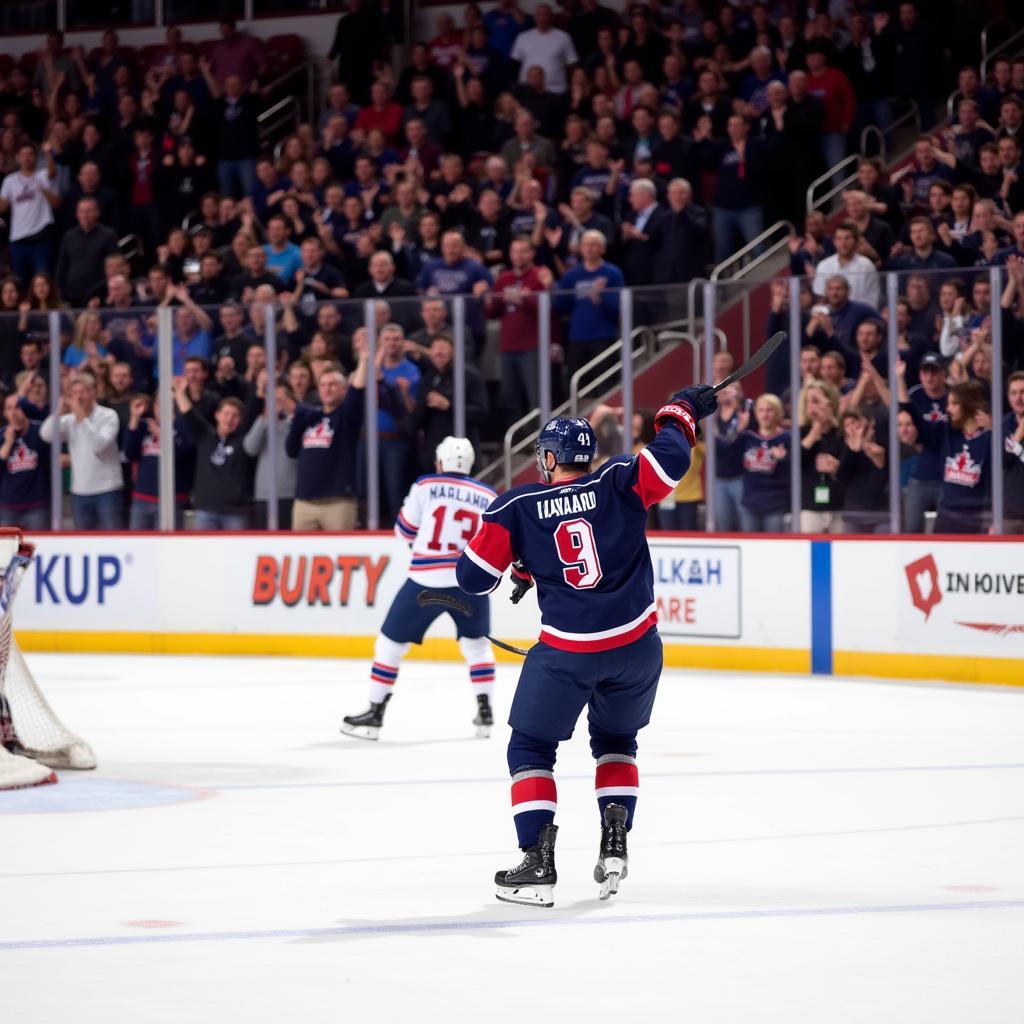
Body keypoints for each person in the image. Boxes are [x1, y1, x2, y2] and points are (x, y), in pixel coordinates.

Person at [456, 385, 718, 906]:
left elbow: (471, 579)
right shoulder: (618, 479)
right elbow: (669, 462)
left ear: (550, 458)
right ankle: (615, 843)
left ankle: (537, 859)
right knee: (617, 743)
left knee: (530, 748)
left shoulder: (520, 505)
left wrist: (522, 555)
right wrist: (679, 412)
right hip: (639, 647)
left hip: (568, 654)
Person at [341, 437, 498, 741]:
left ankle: (374, 713)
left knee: (389, 645)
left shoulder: (425, 485)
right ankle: (486, 712)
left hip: (425, 581)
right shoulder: (488, 494)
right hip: (469, 583)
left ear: (440, 462)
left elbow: (404, 531)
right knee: (477, 646)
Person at [898, 370, 991, 534]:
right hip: (947, 517)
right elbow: (917, 419)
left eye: (954, 404)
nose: (948, 409)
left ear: (968, 404)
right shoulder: (946, 432)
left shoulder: (990, 438)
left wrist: (994, 430)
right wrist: (900, 379)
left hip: (977, 519)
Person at [285, 358, 368, 531]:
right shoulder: (308, 417)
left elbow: (357, 393)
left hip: (338, 502)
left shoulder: (346, 416)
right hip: (304, 501)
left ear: (344, 390)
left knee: (341, 555)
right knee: (301, 555)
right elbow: (291, 450)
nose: (327, 389)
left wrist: (365, 359)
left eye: (333, 384)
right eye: (323, 385)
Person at [40, 373, 123, 530]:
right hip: (79, 491)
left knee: (113, 541)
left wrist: (81, 417)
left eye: (83, 391)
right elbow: (46, 434)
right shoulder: (70, 419)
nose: (79, 396)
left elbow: (98, 445)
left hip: (107, 490)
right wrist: (59, 411)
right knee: (84, 542)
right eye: (75, 392)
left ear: (94, 392)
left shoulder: (108, 416)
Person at [174, 381, 254, 530]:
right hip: (206, 510)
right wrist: (179, 392)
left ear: (241, 420)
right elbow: (189, 412)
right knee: (205, 553)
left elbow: (255, 406)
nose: (229, 419)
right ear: (217, 415)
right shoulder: (205, 435)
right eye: (226, 414)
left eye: (235, 416)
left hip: (236, 512)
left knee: (235, 553)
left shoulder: (245, 439)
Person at [411, 335, 489, 471]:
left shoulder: (471, 376)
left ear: (454, 352)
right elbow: (418, 417)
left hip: (464, 455)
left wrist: (448, 406)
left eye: (443, 348)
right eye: (435, 348)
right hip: (433, 455)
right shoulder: (428, 379)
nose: (438, 352)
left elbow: (481, 413)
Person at [718, 393, 791, 533]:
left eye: (769, 410)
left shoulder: (786, 438)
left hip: (775, 506)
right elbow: (724, 452)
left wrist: (784, 458)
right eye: (761, 410)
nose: (765, 415)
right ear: (755, 413)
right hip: (750, 505)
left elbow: (796, 471)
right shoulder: (747, 437)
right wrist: (738, 429)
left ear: (778, 413)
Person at [122, 394, 193, 530]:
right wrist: (134, 418)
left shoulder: (182, 427)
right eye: (159, 404)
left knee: (169, 546)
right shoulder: (144, 426)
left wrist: (162, 435)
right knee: (138, 546)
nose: (163, 408)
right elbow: (129, 453)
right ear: (154, 406)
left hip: (170, 501)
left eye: (169, 403)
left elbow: (182, 454)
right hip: (142, 498)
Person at [244, 374, 297, 530]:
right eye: (273, 399)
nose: (277, 404)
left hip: (292, 495)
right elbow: (250, 448)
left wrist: (291, 415)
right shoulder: (263, 422)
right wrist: (266, 418)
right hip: (265, 496)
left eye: (281, 400)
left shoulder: (298, 422)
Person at [0, 142, 59, 283]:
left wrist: (48, 153)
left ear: (35, 157)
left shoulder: (42, 175)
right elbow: (1, 207)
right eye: (23, 155)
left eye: (30, 155)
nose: (27, 158)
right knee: (20, 282)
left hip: (41, 237)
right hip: (18, 240)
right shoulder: (10, 180)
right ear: (17, 158)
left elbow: (52, 172)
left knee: (44, 281)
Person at [55, 197, 119, 308]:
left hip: (99, 296)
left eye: (89, 211)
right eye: (82, 211)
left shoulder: (108, 236)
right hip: (72, 296)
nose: (85, 215)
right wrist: (60, 293)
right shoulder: (69, 237)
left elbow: (115, 267)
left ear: (97, 213)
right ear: (77, 214)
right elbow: (62, 267)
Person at [0, 391, 50, 530]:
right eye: (9, 408)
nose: (14, 413)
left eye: (17, 407)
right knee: (6, 551)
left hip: (36, 506)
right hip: (7, 507)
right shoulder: (1, 435)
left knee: (39, 548)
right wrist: (8, 443)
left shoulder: (40, 431)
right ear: (4, 413)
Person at [798, 380, 843, 532]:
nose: (812, 406)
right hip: (810, 506)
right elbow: (794, 463)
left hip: (837, 505)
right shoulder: (802, 432)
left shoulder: (840, 432)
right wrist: (814, 433)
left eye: (816, 401)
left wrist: (836, 467)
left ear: (829, 403)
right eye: (808, 402)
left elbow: (849, 466)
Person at [1002, 371, 1024, 533]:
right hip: (1012, 512)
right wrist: (1019, 433)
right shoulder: (1005, 424)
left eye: (1023, 392)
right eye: (1013, 393)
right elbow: (1004, 461)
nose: (1018, 398)